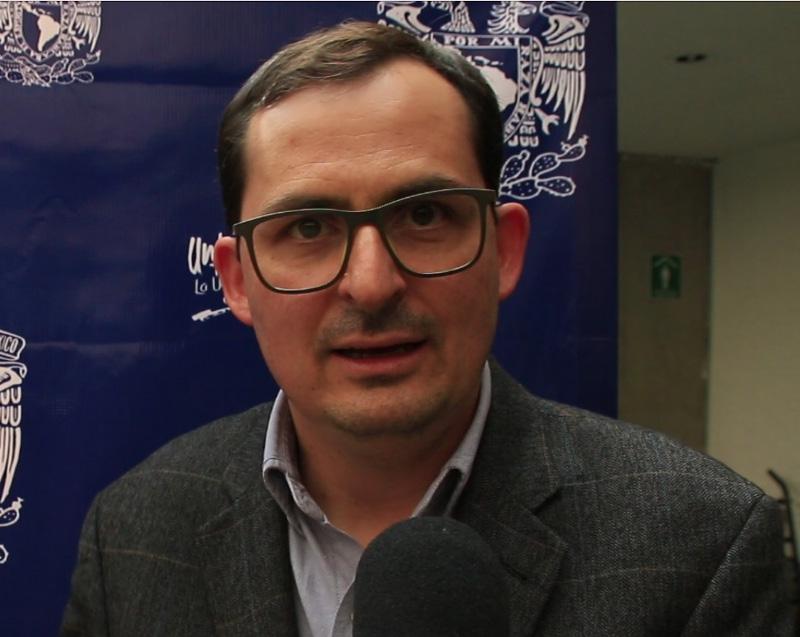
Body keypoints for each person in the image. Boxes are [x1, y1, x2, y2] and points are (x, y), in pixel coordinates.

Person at [61, 21, 795, 637]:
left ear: (505, 250)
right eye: (308, 227)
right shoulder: (133, 533)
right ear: (238, 280)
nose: (371, 283)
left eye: (423, 215)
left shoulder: (702, 546)